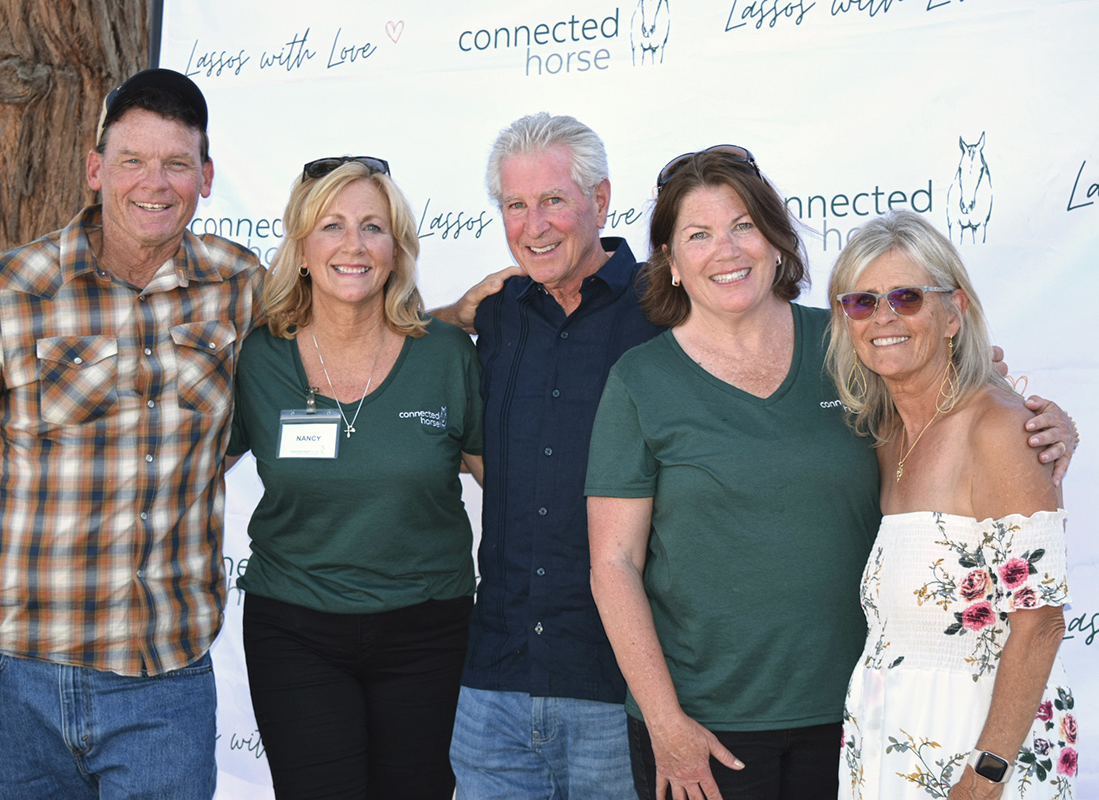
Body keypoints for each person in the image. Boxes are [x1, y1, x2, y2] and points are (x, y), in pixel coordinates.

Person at [582, 148, 1078, 800]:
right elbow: (613, 562)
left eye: (743, 225)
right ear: (670, 262)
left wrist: (1045, 425)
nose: (726, 250)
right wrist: (665, 721)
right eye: (698, 235)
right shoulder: (640, 381)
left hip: (858, 715)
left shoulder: (851, 342)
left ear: (775, 241)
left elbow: (952, 393)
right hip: (706, 727)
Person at [0, 69, 262, 798]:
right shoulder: (12, 286)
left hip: (163, 678)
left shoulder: (240, 286)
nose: (154, 183)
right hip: (17, 675)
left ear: (205, 178)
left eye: (176, 163)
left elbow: (335, 342)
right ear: (95, 168)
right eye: (132, 159)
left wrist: (452, 321)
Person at [225, 157, 484, 799]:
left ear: (396, 249)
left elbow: (509, 490)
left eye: (373, 227)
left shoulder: (447, 355)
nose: (354, 244)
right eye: (332, 226)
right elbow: (182, 471)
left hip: (429, 630)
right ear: (302, 249)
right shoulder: (258, 356)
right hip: (294, 628)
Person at [438, 113, 662, 799]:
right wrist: (452, 314)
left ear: (600, 200)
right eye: (515, 205)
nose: (533, 225)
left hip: (621, 689)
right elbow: (389, 342)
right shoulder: (497, 314)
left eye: (553, 200)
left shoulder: (666, 311)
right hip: (495, 685)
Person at [827, 211, 1075, 800]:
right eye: (862, 302)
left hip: (982, 744)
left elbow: (1040, 622)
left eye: (906, 297)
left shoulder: (1000, 429)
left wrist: (985, 776)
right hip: (890, 736)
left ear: (953, 312)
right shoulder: (885, 434)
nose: (883, 317)